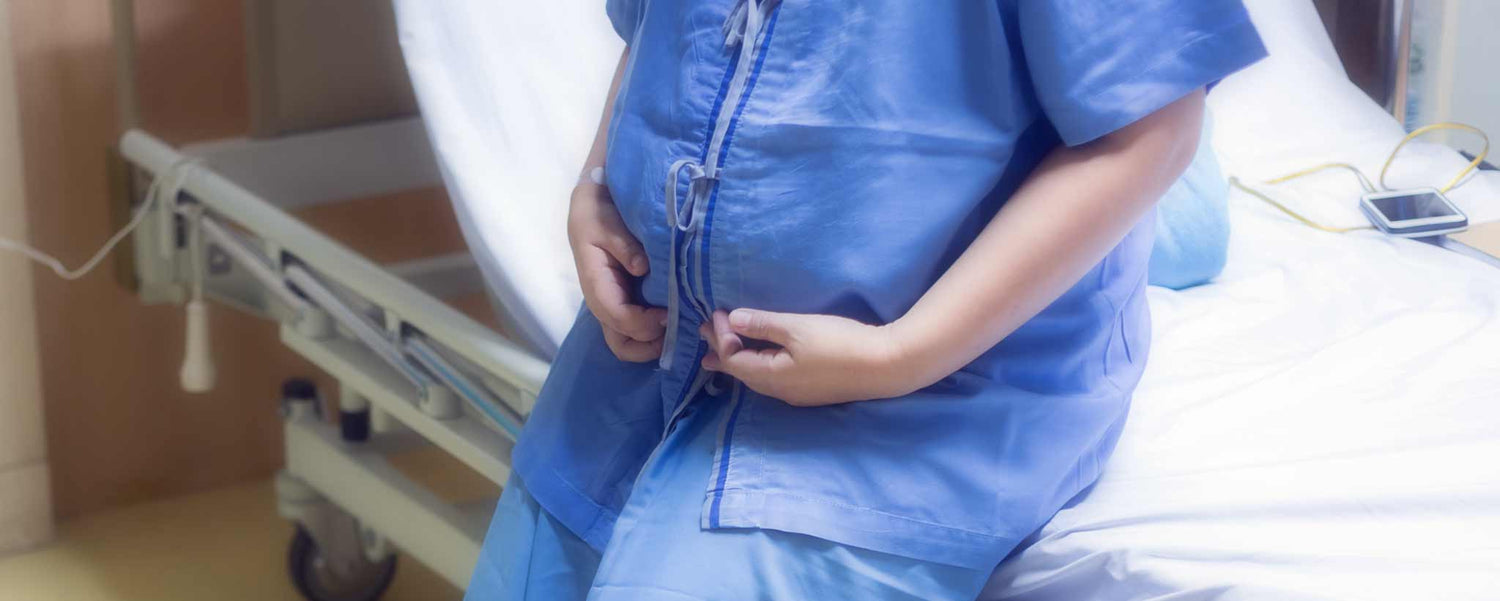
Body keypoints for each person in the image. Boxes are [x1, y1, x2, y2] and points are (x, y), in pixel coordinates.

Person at [468, 1, 1266, 599]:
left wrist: (899, 356)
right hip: (639, 364)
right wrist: (597, 184)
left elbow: (1151, 125)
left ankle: (1178, 213)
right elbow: (661, 31)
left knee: (1129, 137)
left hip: (928, 404)